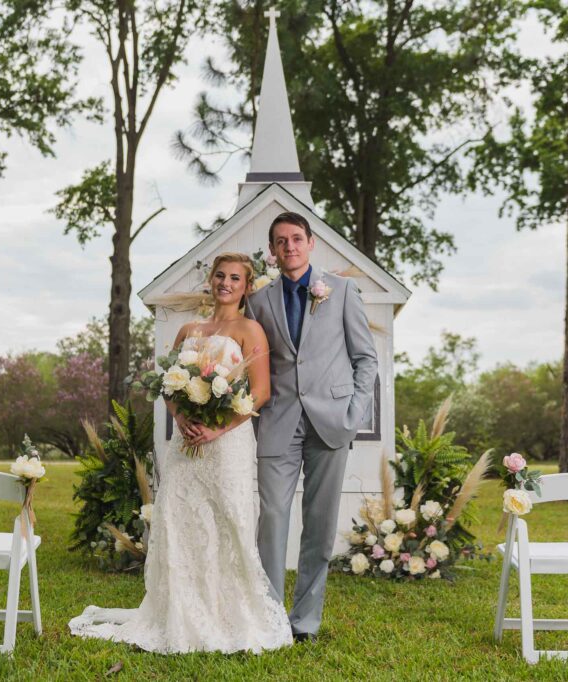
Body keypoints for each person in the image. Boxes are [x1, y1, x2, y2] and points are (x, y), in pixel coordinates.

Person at [69, 252, 292, 654]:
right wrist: (181, 418)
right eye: (220, 275)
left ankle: (230, 615)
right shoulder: (190, 329)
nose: (225, 283)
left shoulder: (251, 330)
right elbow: (168, 384)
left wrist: (216, 428)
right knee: (181, 519)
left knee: (229, 520)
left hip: (228, 444)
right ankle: (178, 611)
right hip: (185, 441)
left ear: (245, 287)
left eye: (235, 278)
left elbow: (261, 392)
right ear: (211, 280)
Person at [245, 211, 378, 642]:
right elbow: (254, 364)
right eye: (281, 241)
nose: (290, 247)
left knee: (319, 527)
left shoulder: (341, 290)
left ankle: (304, 623)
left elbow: (365, 359)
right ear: (272, 250)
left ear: (311, 243)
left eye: (297, 239)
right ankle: (268, 620)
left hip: (331, 423)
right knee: (272, 519)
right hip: (278, 423)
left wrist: (354, 413)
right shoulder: (259, 301)